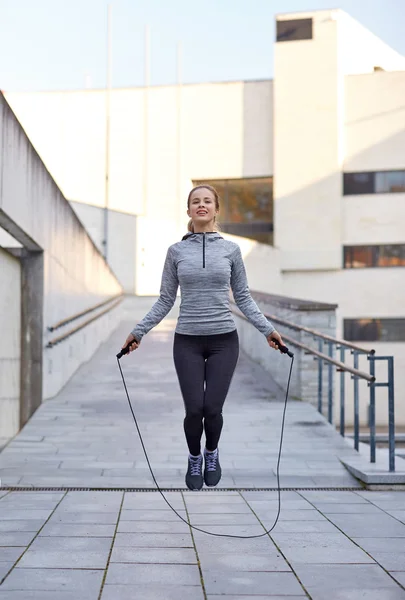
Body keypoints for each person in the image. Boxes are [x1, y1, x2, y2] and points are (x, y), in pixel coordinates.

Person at [122, 184, 285, 491]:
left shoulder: (232, 251)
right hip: (188, 341)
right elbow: (165, 300)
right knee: (194, 409)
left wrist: (269, 330)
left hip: (224, 340)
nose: (201, 205)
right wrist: (138, 332)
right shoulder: (176, 252)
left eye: (207, 201)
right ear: (188, 211)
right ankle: (194, 456)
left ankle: (212, 452)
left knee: (212, 409)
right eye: (195, 201)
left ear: (215, 209)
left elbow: (244, 298)